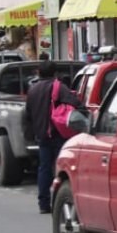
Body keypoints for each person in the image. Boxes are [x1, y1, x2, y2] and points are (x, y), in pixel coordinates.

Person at [23, 61, 82, 214]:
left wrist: (30, 135)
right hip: (58, 133)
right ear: (55, 73)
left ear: (39, 73)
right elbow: (75, 103)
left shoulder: (33, 90)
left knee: (43, 168)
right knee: (60, 168)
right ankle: (59, 201)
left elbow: (27, 116)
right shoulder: (58, 86)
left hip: (41, 135)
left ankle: (43, 203)